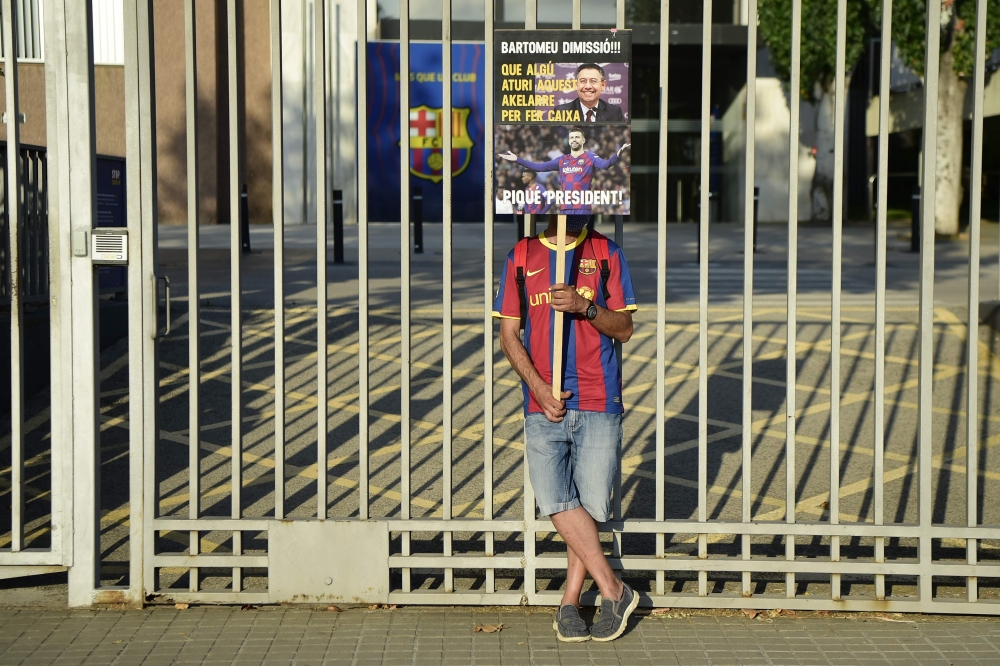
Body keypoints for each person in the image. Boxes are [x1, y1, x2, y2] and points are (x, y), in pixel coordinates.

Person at [492, 214, 639, 642]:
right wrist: (538, 387)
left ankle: (569, 600)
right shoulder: (522, 254)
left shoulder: (606, 252)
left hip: (598, 398)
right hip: (544, 402)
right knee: (555, 497)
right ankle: (613, 588)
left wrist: (585, 307)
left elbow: (625, 329)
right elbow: (508, 334)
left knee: (590, 505)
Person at [497, 127, 630, 216]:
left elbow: (606, 165)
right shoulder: (562, 160)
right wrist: (517, 159)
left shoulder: (590, 157)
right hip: (566, 208)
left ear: (583, 140)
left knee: (581, 242)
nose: (574, 140)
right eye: (572, 137)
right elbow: (539, 167)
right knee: (565, 243)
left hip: (582, 207)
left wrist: (617, 155)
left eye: (577, 137)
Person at [552, 63, 625, 122]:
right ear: (576, 85)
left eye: (593, 81)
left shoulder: (614, 112)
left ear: (603, 85)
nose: (587, 86)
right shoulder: (562, 112)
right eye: (583, 81)